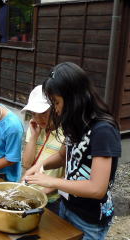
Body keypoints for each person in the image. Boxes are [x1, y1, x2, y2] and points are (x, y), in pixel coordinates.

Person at [24, 62, 121, 239]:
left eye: (56, 102)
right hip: (67, 205)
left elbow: (97, 188)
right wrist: (39, 166)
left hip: (90, 218)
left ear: (74, 97)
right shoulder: (73, 121)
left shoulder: (103, 130)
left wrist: (50, 181)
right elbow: (63, 156)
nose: (56, 109)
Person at [21, 85, 64, 213]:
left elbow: (69, 175)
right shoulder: (35, 128)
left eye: (44, 113)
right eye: (34, 114)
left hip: (53, 198)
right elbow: (27, 164)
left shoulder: (66, 133)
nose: (39, 119)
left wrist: (45, 191)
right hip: (30, 191)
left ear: (55, 108)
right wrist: (34, 136)